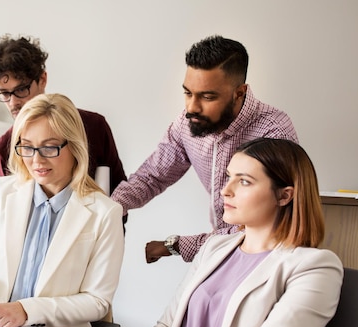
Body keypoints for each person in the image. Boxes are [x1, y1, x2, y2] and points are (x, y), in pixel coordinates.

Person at [112, 138, 343, 327]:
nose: (225, 191)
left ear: (285, 195)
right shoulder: (215, 248)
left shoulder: (316, 267)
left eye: (244, 182)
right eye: (229, 178)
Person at [111, 35, 298, 264]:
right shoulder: (188, 122)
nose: (192, 107)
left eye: (207, 97)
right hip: (217, 256)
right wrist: (110, 208)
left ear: (239, 93)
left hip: (266, 261)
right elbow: (153, 176)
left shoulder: (274, 133)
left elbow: (264, 226)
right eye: (188, 93)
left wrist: (175, 246)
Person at [0, 93, 124, 327]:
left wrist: (26, 310)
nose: (36, 160)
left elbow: (97, 301)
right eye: (27, 146)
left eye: (49, 147)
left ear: (74, 146)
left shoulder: (105, 213)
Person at [0, 34, 127, 196]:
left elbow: (119, 199)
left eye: (21, 89)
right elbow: (12, 208)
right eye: (5, 93)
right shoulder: (5, 146)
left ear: (42, 79)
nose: (13, 102)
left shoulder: (94, 126)